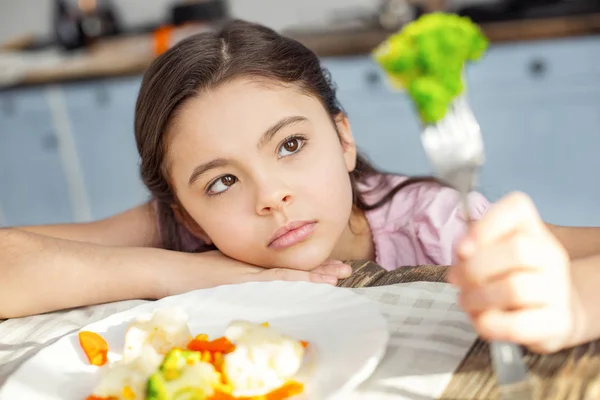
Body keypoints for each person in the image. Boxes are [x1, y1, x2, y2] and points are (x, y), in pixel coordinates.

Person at [1, 20, 599, 339]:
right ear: (184, 212)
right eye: (220, 182)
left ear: (343, 139)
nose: (271, 196)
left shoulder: (432, 223)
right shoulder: (180, 235)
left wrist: (568, 299)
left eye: (290, 145)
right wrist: (186, 270)